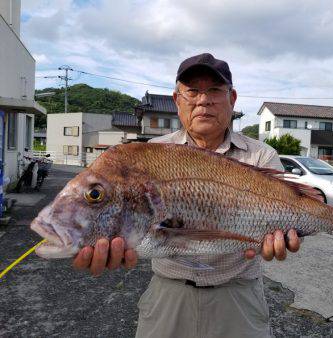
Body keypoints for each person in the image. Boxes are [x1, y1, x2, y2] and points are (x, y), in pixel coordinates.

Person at [72, 53, 301, 338]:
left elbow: (294, 212)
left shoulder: (262, 155)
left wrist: (290, 237)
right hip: (169, 294)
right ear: (177, 99)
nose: (203, 100)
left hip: (238, 298)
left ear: (232, 99)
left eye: (215, 91)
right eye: (192, 91)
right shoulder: (152, 154)